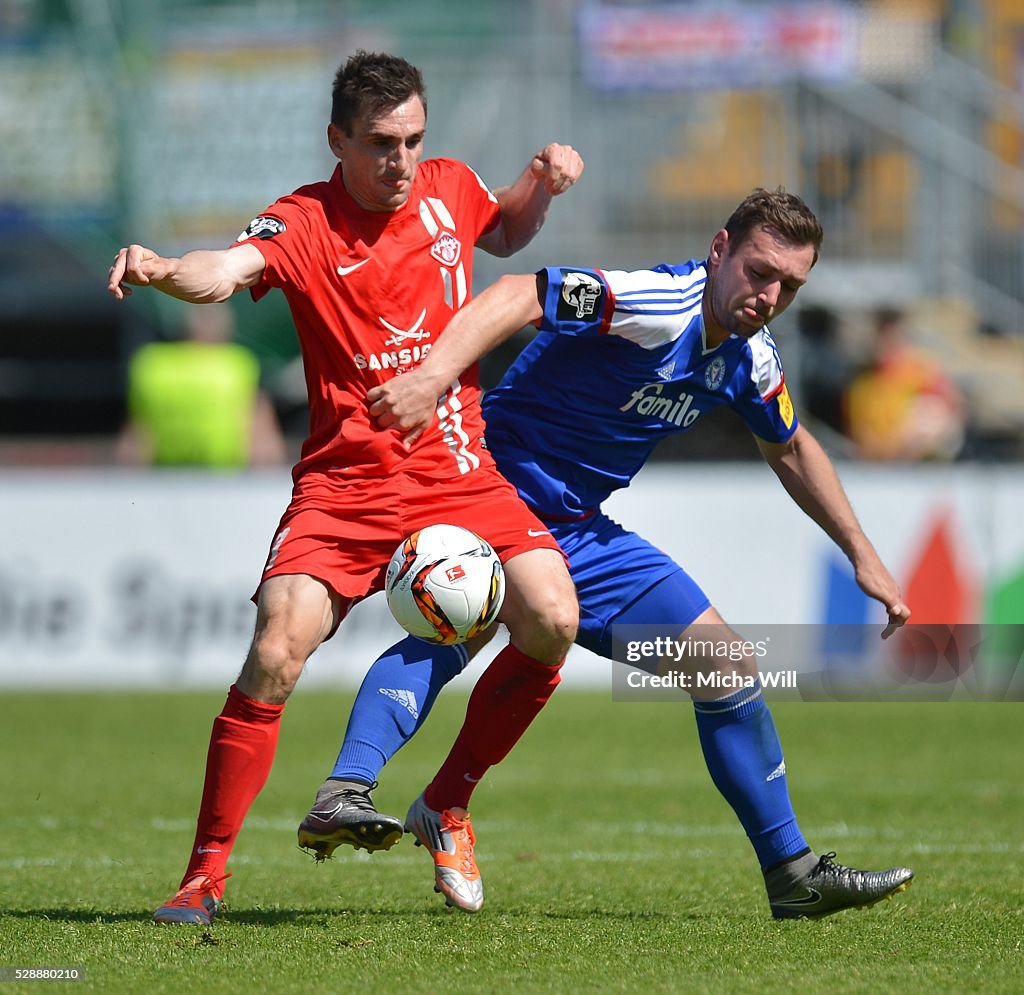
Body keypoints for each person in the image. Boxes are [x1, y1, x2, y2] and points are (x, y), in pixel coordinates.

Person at [300, 187, 916, 919]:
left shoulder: (750, 357)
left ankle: (793, 872)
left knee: (726, 665)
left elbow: (789, 445)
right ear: (721, 250)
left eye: (789, 285)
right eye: (758, 271)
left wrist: (862, 553)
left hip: (577, 526)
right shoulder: (657, 303)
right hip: (488, 486)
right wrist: (434, 379)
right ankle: (347, 789)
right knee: (464, 617)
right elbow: (517, 293)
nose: (769, 294)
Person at [107, 50, 585, 926]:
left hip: (456, 474)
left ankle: (446, 800)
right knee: (276, 649)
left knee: (555, 617)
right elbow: (226, 270)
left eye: (411, 141)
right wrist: (164, 267)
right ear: (338, 140)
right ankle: (203, 878)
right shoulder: (303, 221)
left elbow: (506, 231)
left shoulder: (447, 186)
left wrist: (540, 185)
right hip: (345, 485)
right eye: (379, 144)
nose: (399, 161)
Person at [115, 302, 287, 468]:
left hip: (166, 480)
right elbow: (263, 440)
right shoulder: (237, 364)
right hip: (226, 482)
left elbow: (136, 437)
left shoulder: (151, 364)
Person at [843, 307, 966, 461]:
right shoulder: (862, 381)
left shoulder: (920, 369)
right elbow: (857, 431)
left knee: (928, 412)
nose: (883, 342)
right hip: (876, 460)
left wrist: (923, 436)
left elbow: (952, 411)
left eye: (890, 335)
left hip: (915, 462)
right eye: (880, 335)